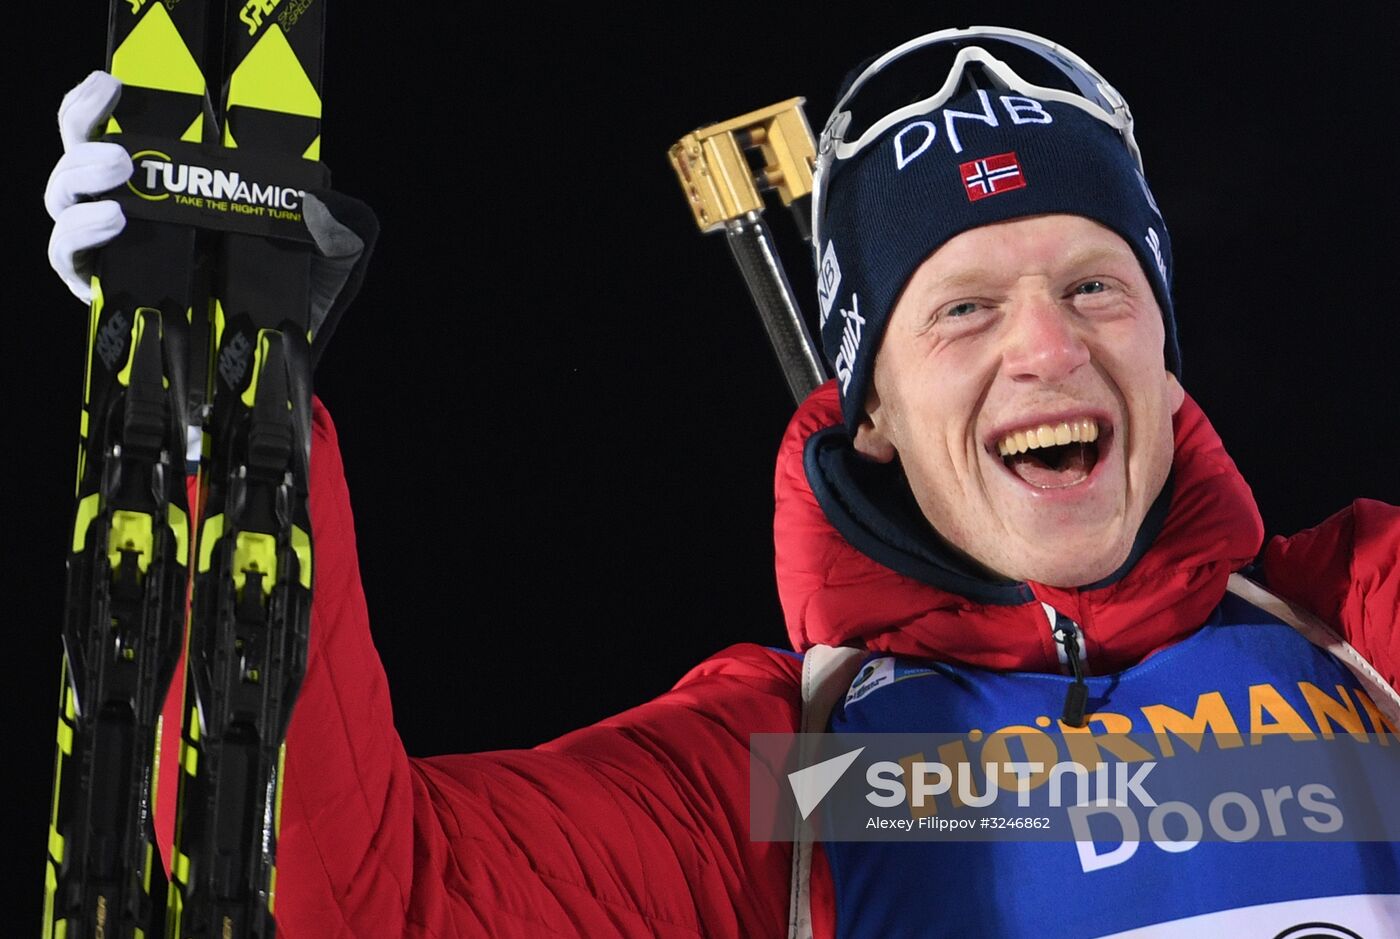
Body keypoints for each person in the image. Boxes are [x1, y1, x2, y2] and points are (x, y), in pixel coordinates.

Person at [44, 25, 1400, 939]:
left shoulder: (1357, 628)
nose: (1049, 344)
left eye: (1096, 287)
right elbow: (372, 900)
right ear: (871, 414)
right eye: (966, 310)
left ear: (1167, 357)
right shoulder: (795, 776)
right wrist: (233, 422)